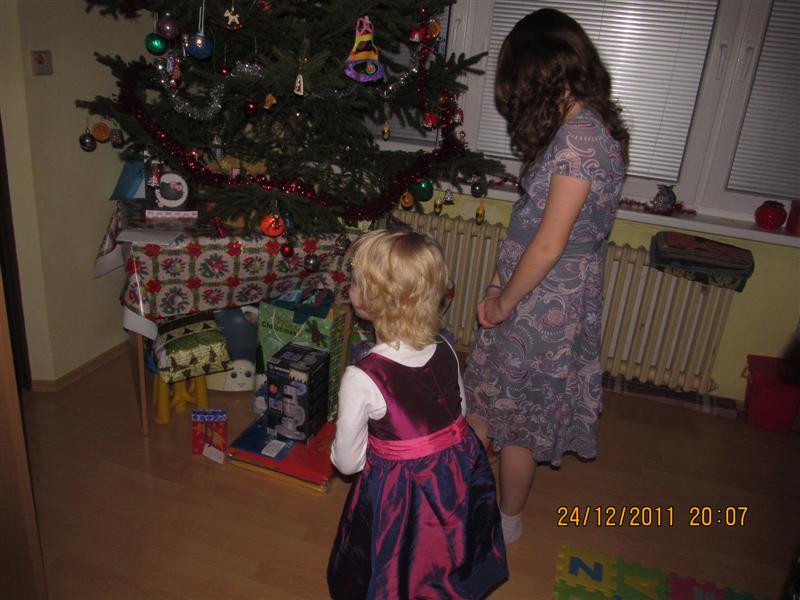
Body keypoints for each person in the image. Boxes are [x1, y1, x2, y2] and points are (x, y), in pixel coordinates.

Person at [463, 8, 630, 546]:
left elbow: (550, 243)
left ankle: (506, 520)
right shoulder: (578, 128)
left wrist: (505, 301)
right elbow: (527, 224)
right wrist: (497, 284)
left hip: (545, 300)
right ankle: (460, 493)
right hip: (531, 289)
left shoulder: (581, 138)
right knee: (487, 396)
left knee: (519, 418)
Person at [328, 228, 508, 600]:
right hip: (457, 470)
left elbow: (347, 463)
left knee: (401, 558)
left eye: (355, 281)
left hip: (400, 490)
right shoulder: (445, 346)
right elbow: (457, 410)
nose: (350, 287)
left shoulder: (363, 376)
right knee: (447, 544)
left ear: (372, 298)